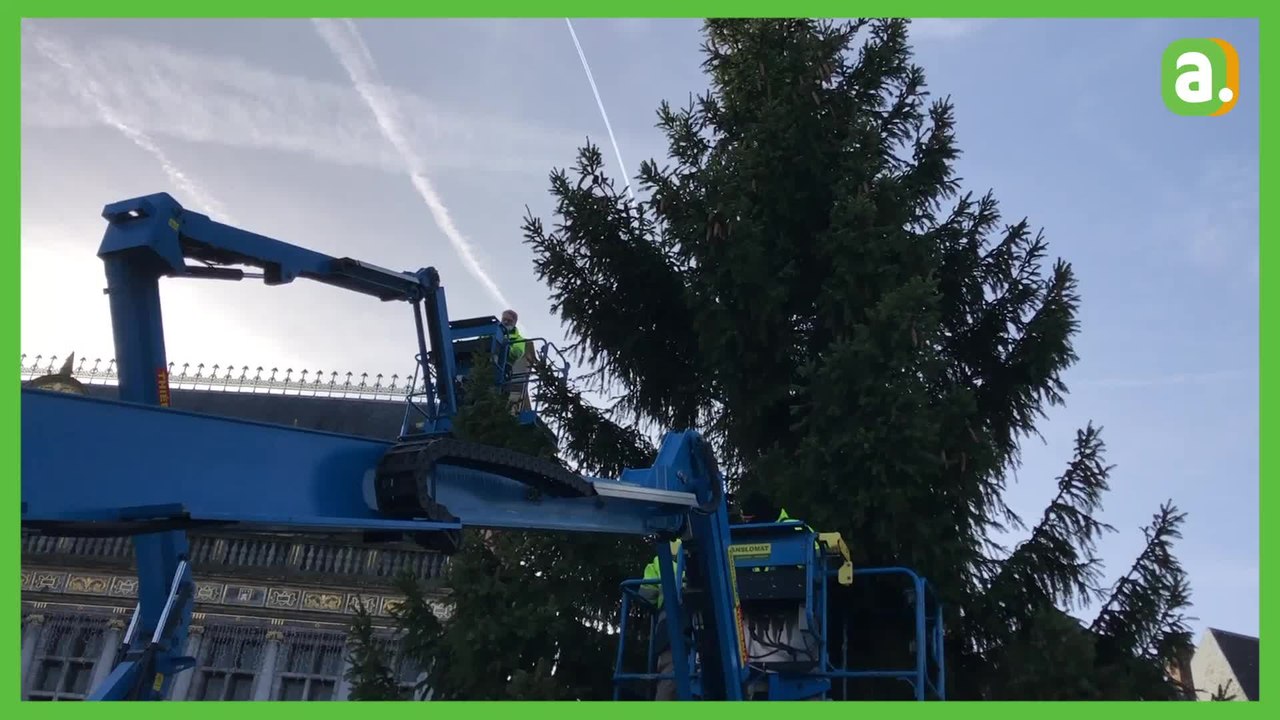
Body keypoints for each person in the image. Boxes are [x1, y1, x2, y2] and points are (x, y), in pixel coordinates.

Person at [639, 539, 683, 701]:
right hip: (710, 628)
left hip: (670, 631)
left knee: (668, 684)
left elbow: (645, 596)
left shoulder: (659, 563)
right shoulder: (715, 551)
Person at [499, 309, 534, 412]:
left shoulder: (519, 339)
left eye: (509, 320)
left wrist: (504, 347)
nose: (505, 322)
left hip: (504, 368)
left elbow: (517, 353)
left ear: (514, 322)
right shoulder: (493, 332)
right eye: (504, 319)